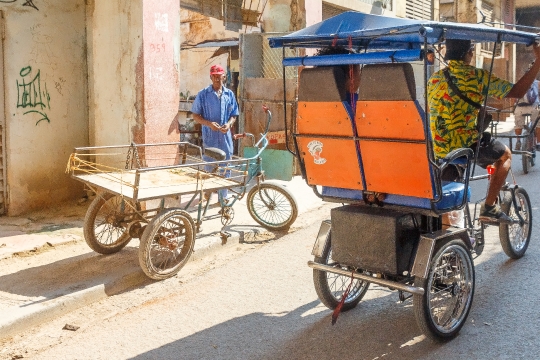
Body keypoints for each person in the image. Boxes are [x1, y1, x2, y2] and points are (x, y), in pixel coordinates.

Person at [428, 39, 540, 222]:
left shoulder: (435, 79)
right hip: (465, 144)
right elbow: (517, 92)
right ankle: (488, 207)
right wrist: (538, 63)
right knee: (505, 155)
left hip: (439, 146)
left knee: (447, 199)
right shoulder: (477, 76)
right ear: (469, 53)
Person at [191, 64, 239, 201]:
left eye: (220, 77)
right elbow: (195, 115)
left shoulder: (229, 94)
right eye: (215, 77)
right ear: (211, 77)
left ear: (224, 77)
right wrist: (208, 124)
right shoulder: (203, 94)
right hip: (210, 137)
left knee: (226, 166)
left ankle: (223, 198)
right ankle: (207, 193)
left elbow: (234, 115)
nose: (218, 79)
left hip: (225, 137)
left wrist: (229, 124)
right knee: (210, 166)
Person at [513, 76, 539, 151]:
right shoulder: (537, 83)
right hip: (534, 107)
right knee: (538, 123)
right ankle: (538, 143)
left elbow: (515, 99)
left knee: (518, 124)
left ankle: (518, 141)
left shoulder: (519, 83)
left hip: (520, 108)